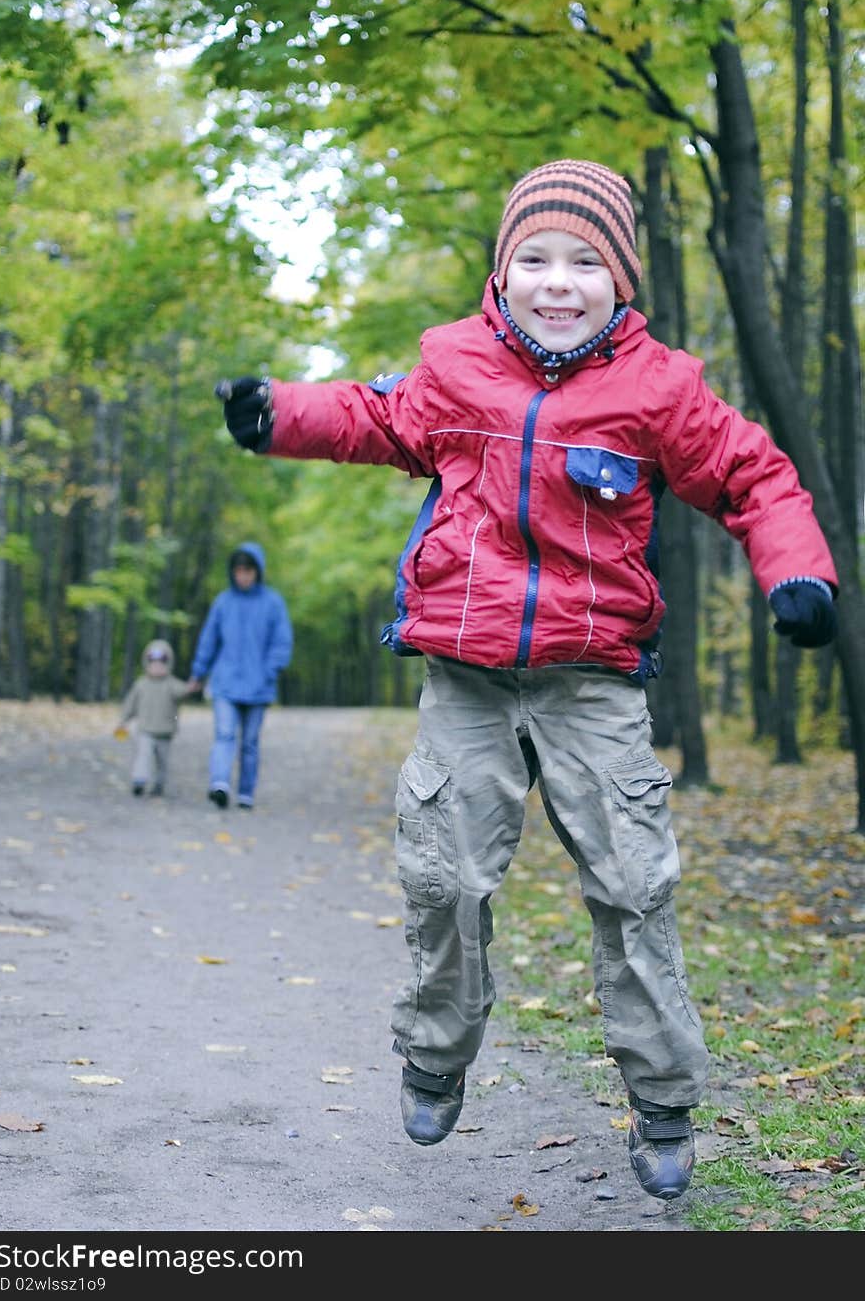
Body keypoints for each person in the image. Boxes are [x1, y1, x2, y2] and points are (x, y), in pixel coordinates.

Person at [217, 159, 838, 1201]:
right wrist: (279, 412)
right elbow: (375, 418)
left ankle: (663, 1099)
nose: (559, 280)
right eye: (535, 258)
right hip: (466, 678)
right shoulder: (454, 365)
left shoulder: (658, 389)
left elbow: (750, 475)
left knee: (633, 885)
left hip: (591, 680)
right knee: (444, 876)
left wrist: (797, 569)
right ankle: (433, 1052)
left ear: (621, 279)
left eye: (585, 260)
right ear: (501, 275)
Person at [188, 542, 293, 810]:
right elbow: (209, 640)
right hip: (225, 682)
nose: (243, 576)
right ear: (233, 572)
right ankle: (219, 784)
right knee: (224, 734)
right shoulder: (223, 602)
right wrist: (199, 672)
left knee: (249, 742)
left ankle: (246, 792)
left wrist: (270, 670)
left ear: (257, 572)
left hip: (259, 686)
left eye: (248, 571)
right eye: (239, 571)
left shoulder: (272, 603)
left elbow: (282, 642)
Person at [115, 639, 193, 797]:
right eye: (153, 662)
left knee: (162, 761)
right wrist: (123, 721)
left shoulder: (171, 684)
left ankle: (159, 784)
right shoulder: (141, 684)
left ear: (168, 664)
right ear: (147, 663)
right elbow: (130, 704)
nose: (157, 667)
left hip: (165, 732)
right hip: (145, 730)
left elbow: (183, 691)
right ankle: (139, 780)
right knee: (143, 754)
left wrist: (192, 686)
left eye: (161, 663)